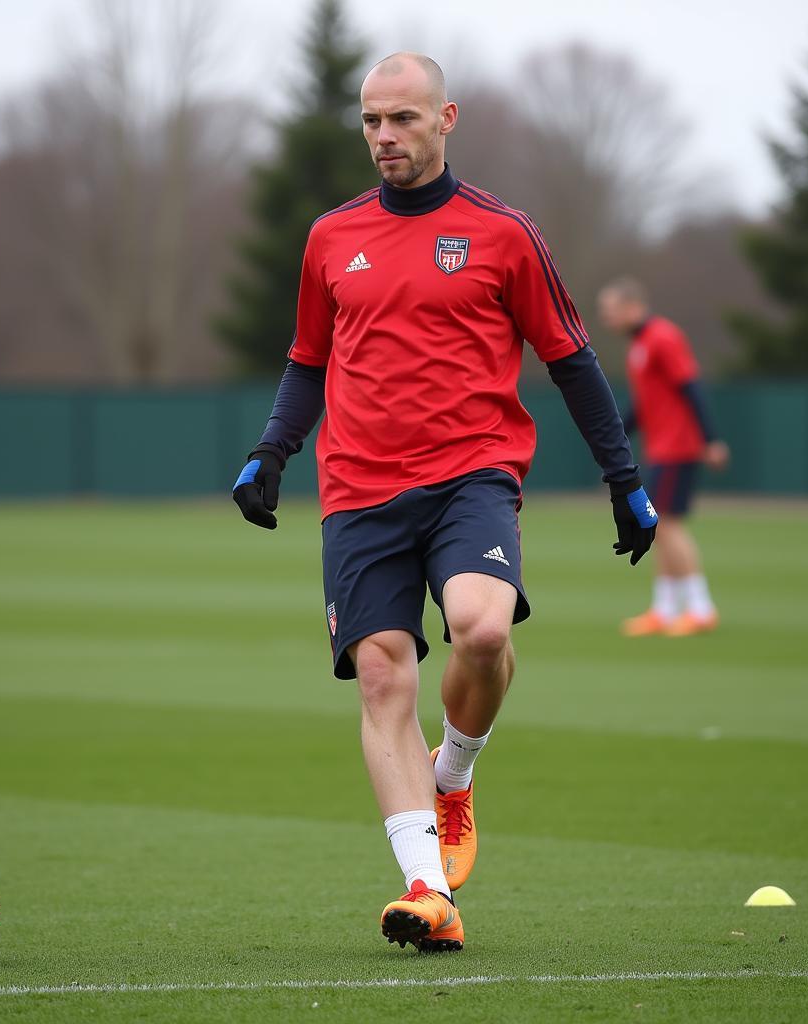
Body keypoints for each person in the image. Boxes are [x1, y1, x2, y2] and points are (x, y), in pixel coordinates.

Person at [233, 53, 657, 953]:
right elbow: (307, 359)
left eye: (404, 120)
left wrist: (623, 479)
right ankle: (428, 890)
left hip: (473, 475)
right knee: (384, 674)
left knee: (484, 631)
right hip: (357, 490)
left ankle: (454, 772)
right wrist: (273, 451)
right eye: (372, 122)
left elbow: (572, 359)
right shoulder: (328, 237)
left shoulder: (505, 234)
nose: (385, 137)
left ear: (446, 118)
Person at [597, 277, 730, 637]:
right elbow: (645, 403)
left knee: (666, 524)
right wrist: (616, 435)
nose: (606, 317)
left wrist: (711, 439)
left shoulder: (663, 337)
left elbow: (691, 386)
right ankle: (665, 609)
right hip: (661, 449)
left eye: (610, 309)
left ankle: (701, 609)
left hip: (678, 447)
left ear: (632, 306)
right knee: (655, 525)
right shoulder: (640, 345)